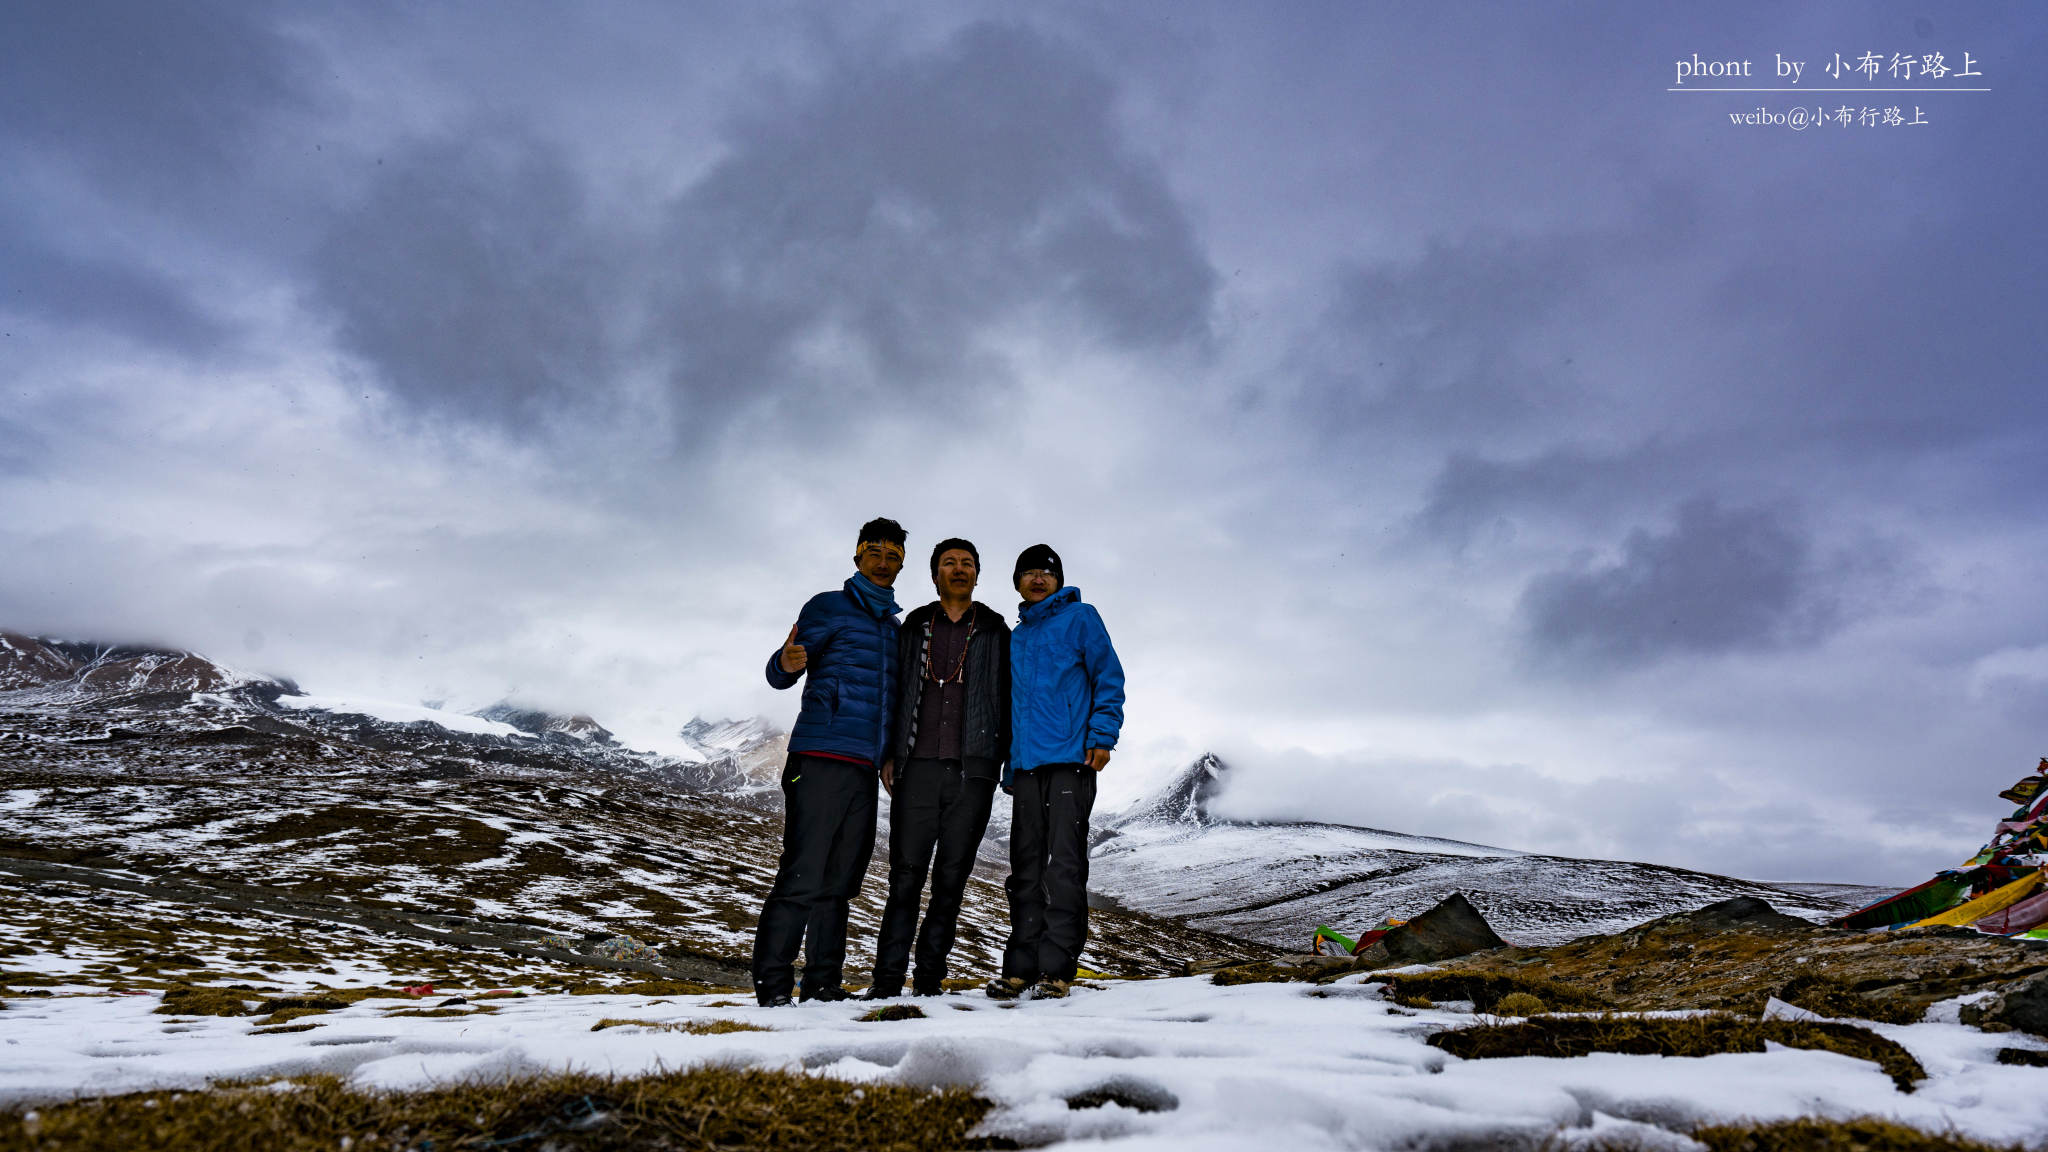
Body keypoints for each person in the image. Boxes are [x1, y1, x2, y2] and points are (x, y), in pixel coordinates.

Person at [752, 518, 905, 1006]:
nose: (883, 562)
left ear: (901, 562)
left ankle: (822, 985)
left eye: (893, 555)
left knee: (839, 882)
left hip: (863, 769)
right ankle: (773, 989)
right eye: (875, 552)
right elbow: (782, 671)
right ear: (858, 556)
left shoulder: (894, 628)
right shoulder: (827, 606)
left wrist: (887, 756)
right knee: (802, 874)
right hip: (818, 757)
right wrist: (784, 663)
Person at [866, 538, 1011, 999]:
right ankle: (887, 983)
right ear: (934, 574)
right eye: (949, 563)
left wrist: (1001, 756)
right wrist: (889, 752)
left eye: (967, 563)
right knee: (904, 878)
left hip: (974, 773)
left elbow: (1012, 699)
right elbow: (893, 692)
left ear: (977, 575)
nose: (959, 569)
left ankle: (929, 983)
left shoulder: (995, 630)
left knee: (951, 881)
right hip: (916, 769)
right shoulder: (912, 628)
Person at [988, 544, 1125, 1001]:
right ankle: (1019, 968)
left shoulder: (1081, 617)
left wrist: (1102, 737)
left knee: (1062, 867)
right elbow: (1013, 708)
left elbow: (1109, 675)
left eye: (1045, 572)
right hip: (1027, 768)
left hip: (1071, 761)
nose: (1037, 579)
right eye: (1027, 573)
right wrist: (1012, 764)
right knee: (1025, 869)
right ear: (1018, 583)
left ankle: (1057, 971)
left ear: (1058, 578)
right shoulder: (1018, 636)